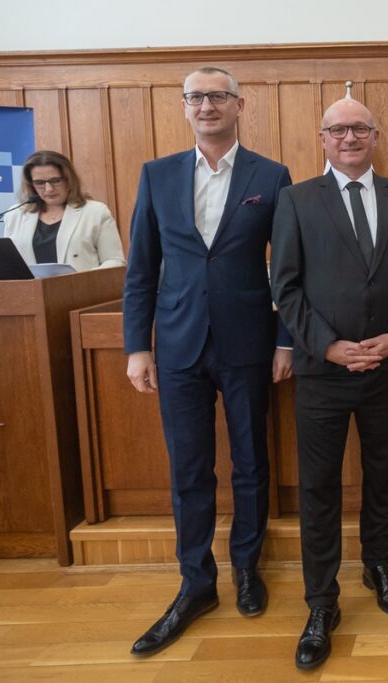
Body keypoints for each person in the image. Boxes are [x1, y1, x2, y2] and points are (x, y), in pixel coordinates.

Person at [123, 66, 294, 656]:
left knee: (251, 462)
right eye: (196, 97)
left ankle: (247, 566)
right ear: (184, 107)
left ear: (239, 104)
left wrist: (286, 340)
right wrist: (137, 346)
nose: (206, 106)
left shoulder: (271, 176)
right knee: (189, 471)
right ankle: (196, 583)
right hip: (176, 345)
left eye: (217, 96)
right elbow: (141, 268)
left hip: (249, 341)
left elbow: (289, 269)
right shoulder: (158, 174)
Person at [270, 97, 388, 671]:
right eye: (338, 129)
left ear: (375, 133)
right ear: (322, 138)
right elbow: (284, 286)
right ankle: (321, 602)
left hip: (387, 366)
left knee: (383, 474)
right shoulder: (295, 200)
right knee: (319, 487)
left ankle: (378, 565)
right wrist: (329, 346)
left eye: (360, 127)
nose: (350, 136)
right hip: (322, 371)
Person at [5, 150, 125, 271]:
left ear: (69, 180)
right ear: (31, 185)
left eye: (55, 181)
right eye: (39, 183)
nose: (49, 189)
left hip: (82, 288)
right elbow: (9, 264)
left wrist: (81, 279)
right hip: (32, 290)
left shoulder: (95, 212)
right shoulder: (16, 215)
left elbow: (114, 260)